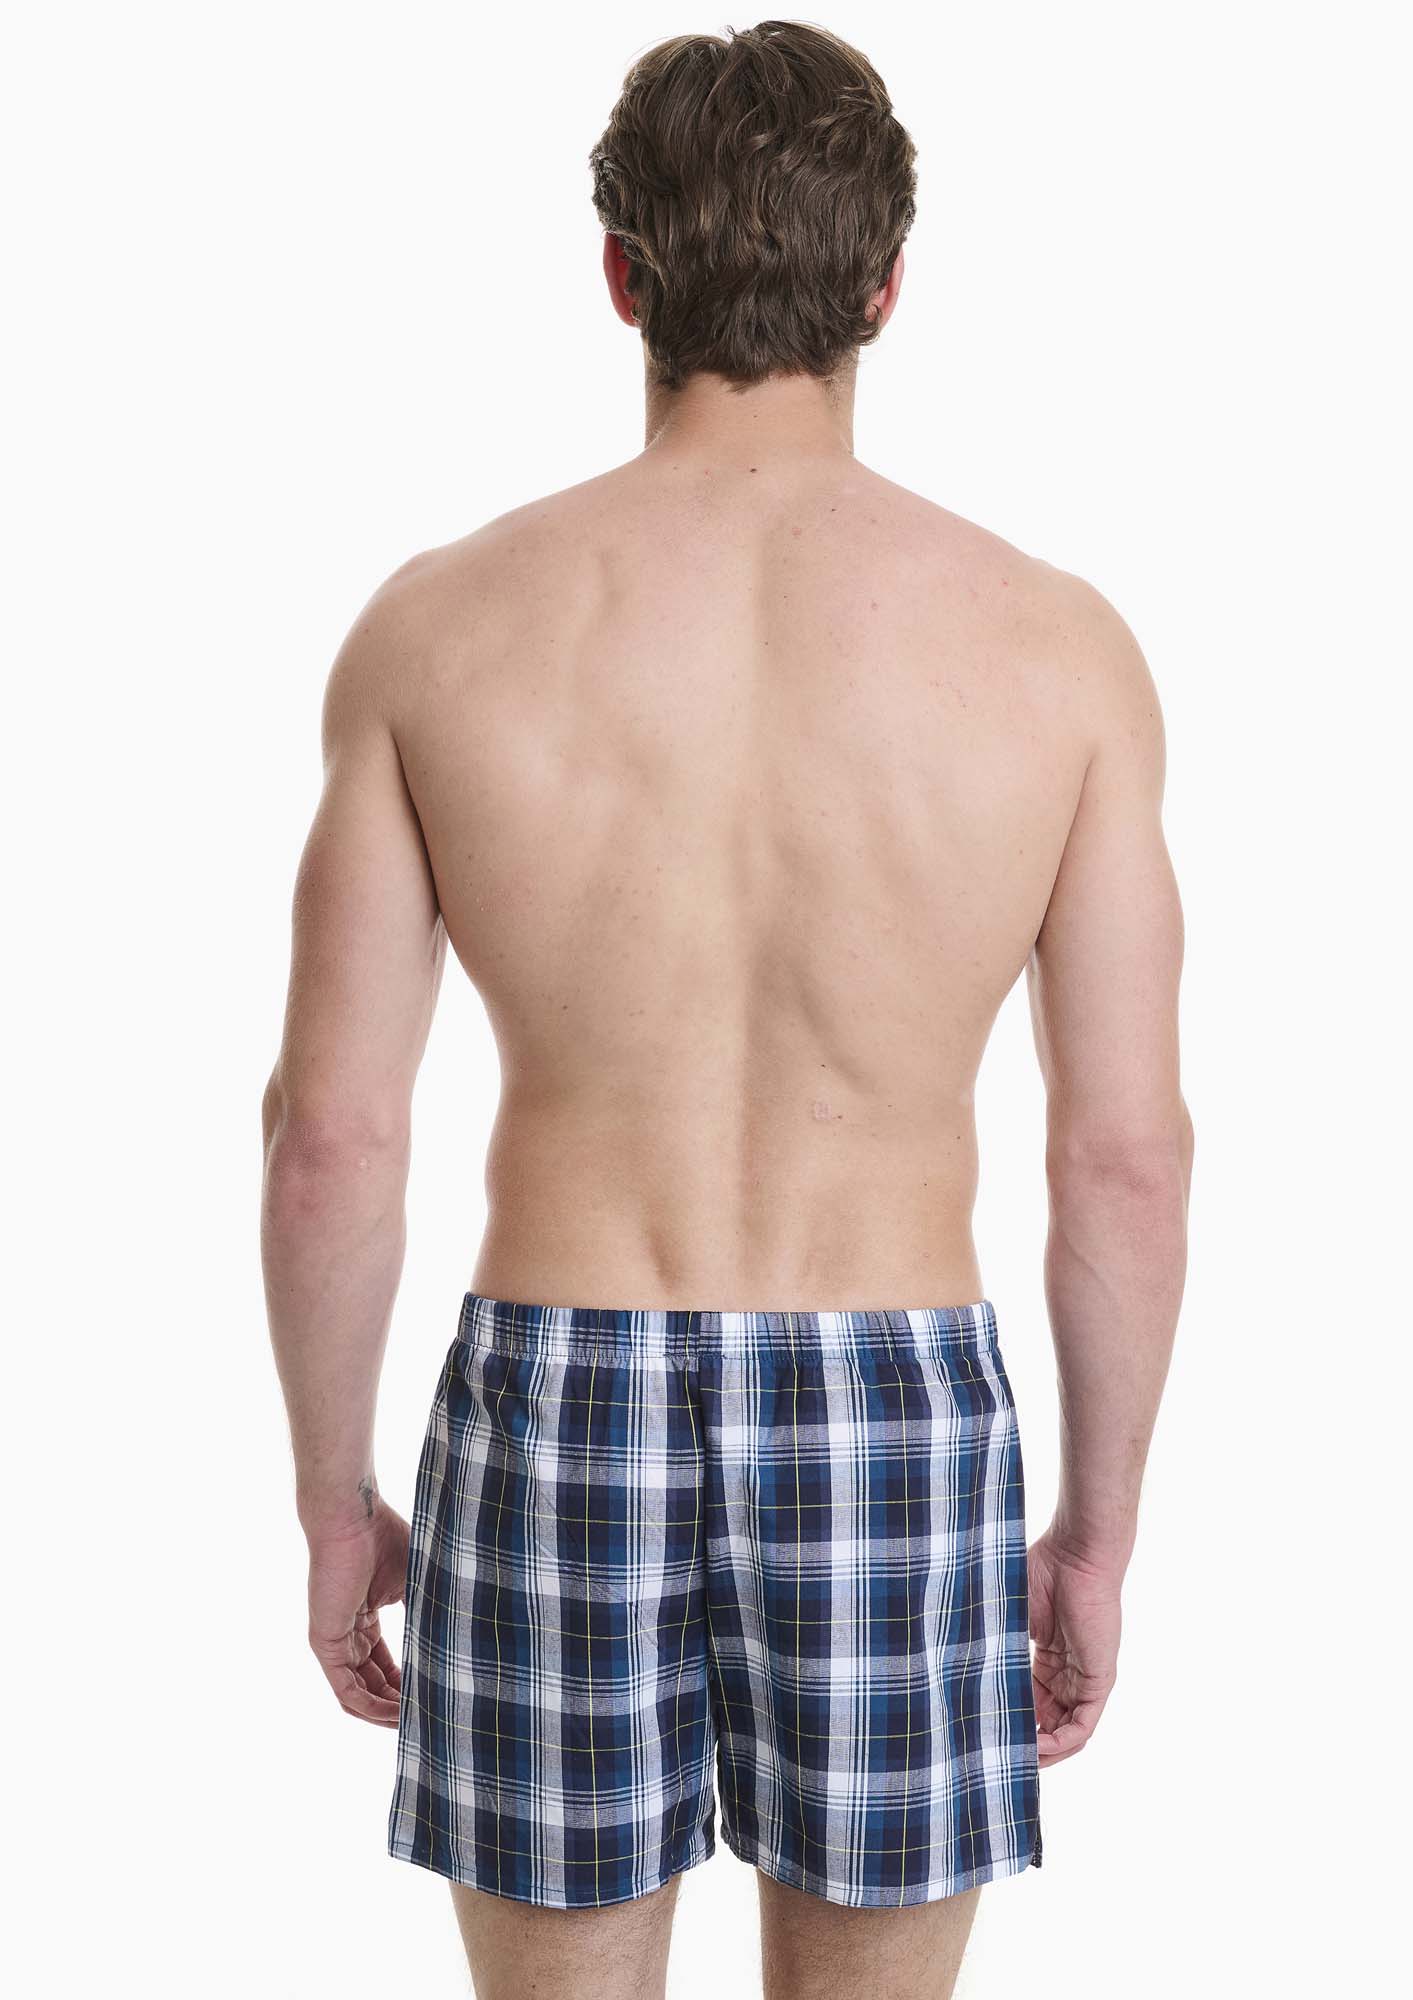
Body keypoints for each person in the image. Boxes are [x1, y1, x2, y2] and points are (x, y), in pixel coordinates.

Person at [261, 20, 1192, 1999]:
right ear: (886, 285)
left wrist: (335, 1500)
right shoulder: (1056, 654)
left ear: (621, 275)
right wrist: (1097, 1533)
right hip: (893, 1403)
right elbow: (1121, 1154)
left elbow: (332, 1135)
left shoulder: (438, 631)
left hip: (555, 1395)